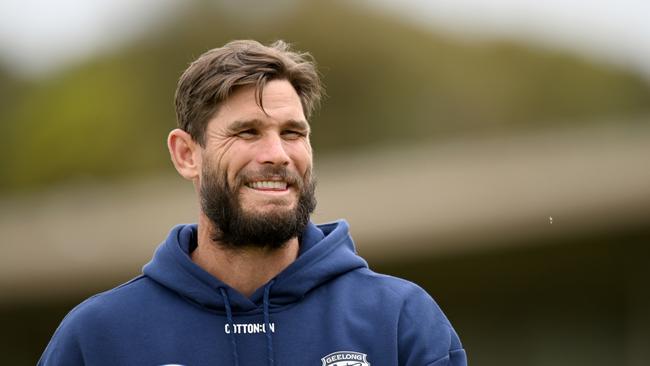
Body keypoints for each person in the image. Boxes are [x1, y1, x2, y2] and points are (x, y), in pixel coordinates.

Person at [38, 40, 467, 366]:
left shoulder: (400, 320)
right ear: (187, 154)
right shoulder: (97, 337)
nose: (277, 155)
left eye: (293, 133)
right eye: (247, 133)